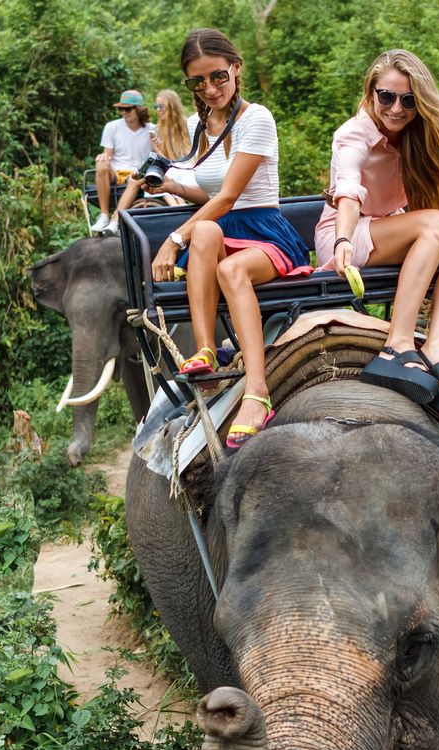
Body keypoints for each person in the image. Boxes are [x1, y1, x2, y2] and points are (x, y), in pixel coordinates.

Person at [148, 28, 311, 451]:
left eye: (218, 77)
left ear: (236, 68)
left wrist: (174, 239)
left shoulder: (256, 118)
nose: (209, 88)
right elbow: (210, 196)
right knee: (205, 230)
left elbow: (231, 196)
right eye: (197, 82)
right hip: (220, 229)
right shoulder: (197, 124)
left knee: (228, 264)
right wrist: (173, 186)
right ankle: (204, 350)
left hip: (263, 233)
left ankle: (257, 392)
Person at [315, 49, 439, 415]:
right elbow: (347, 189)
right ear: (371, 92)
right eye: (386, 96)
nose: (396, 108)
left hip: (388, 231)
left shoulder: (415, 135)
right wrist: (343, 238)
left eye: (408, 100)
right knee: (435, 221)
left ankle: (436, 347)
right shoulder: (353, 135)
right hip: (345, 238)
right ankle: (397, 344)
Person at [113, 89, 195, 221]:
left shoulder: (189, 125)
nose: (158, 110)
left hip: (189, 166)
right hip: (172, 167)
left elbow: (196, 153)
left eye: (161, 106)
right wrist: (158, 148)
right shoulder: (156, 129)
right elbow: (164, 159)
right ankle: (177, 209)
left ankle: (181, 208)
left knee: (174, 174)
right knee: (163, 175)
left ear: (172, 107)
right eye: (156, 107)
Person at [92, 90, 154, 234]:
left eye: (127, 109)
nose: (123, 112)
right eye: (121, 109)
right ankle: (104, 215)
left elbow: (157, 156)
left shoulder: (151, 130)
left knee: (135, 178)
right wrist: (103, 158)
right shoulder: (112, 127)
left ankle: (116, 219)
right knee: (101, 164)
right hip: (116, 172)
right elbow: (107, 154)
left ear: (138, 109)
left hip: (137, 173)